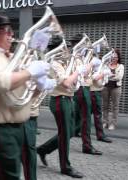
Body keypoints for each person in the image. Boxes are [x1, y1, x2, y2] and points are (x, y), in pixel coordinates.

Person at [0, 11, 55, 180]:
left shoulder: (10, 57)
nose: (12, 35)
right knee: (8, 175)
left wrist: (39, 85)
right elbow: (0, 82)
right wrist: (30, 72)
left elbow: (22, 95)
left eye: (11, 31)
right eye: (7, 31)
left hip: (18, 126)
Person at [37, 36, 88, 178]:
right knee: (65, 134)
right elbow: (66, 83)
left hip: (69, 99)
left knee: (70, 131)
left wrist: (82, 68)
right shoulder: (54, 63)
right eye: (65, 47)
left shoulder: (67, 61)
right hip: (60, 100)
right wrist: (78, 71)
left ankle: (43, 149)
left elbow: (76, 79)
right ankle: (65, 167)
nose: (68, 49)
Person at [69, 34, 103, 156]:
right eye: (84, 44)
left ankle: (87, 145)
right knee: (84, 121)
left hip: (85, 88)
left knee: (80, 122)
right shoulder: (75, 57)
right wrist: (92, 64)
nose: (86, 46)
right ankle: (87, 146)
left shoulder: (82, 57)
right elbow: (83, 72)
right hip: (81, 89)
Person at [89, 60, 113, 143]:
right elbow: (94, 78)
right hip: (94, 91)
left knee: (87, 115)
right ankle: (100, 135)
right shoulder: (90, 63)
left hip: (95, 91)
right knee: (97, 115)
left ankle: (76, 131)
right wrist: (104, 73)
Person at [102, 49, 124, 130]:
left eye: (115, 57)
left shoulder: (121, 66)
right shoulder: (106, 65)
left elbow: (119, 77)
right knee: (105, 106)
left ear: (118, 58)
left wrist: (109, 76)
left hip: (116, 88)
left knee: (115, 106)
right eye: (112, 56)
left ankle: (113, 124)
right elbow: (103, 76)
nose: (114, 58)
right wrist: (111, 76)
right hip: (106, 87)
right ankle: (105, 122)